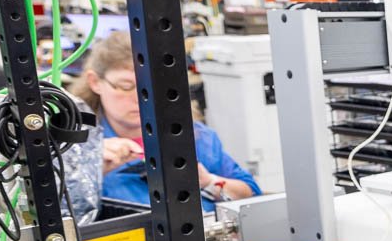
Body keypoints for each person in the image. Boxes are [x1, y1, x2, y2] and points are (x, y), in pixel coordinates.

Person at [72, 32, 260, 210]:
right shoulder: (75, 148)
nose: (141, 98)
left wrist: (208, 181)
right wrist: (92, 172)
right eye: (126, 86)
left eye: (150, 87)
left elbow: (250, 194)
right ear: (95, 82)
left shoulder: (197, 137)